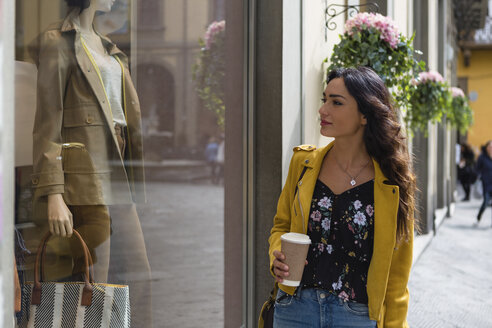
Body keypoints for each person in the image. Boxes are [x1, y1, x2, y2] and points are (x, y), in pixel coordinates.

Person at [28, 0, 152, 326]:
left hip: (118, 175)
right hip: (84, 181)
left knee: (139, 275)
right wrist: (54, 192)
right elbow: (47, 125)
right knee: (94, 286)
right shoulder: (58, 43)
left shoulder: (108, 47)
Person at [268, 67, 416, 328]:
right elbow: (281, 225)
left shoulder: (392, 183)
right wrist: (277, 255)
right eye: (324, 100)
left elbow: (397, 275)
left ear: (364, 115)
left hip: (356, 316)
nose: (323, 110)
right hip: (294, 309)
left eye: (336, 102)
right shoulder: (303, 164)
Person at [475, 140, 492, 226]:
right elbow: (477, 169)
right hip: (486, 184)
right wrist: (480, 177)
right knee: (485, 202)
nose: (491, 148)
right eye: (490, 146)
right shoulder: (482, 157)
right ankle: (479, 217)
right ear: (486, 148)